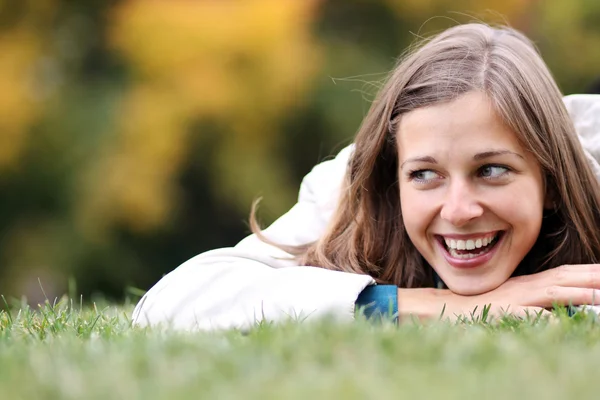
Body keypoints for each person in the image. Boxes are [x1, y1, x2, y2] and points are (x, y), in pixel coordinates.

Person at [132, 23, 600, 330]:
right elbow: (165, 308)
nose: (458, 211)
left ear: (553, 182)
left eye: (492, 170)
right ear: (392, 181)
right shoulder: (352, 188)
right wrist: (415, 306)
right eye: (425, 175)